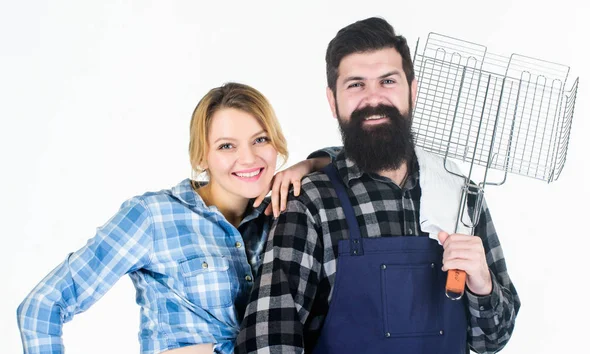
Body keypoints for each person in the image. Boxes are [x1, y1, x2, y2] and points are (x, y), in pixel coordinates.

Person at [235, 17, 520, 354]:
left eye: (387, 81)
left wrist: (482, 283)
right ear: (332, 101)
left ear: (412, 91)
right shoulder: (311, 202)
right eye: (356, 84)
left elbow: (492, 340)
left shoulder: (461, 197)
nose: (373, 98)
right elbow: (269, 340)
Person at [17, 82, 337, 354]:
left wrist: (309, 166)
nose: (249, 157)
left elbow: (363, 161)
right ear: (202, 156)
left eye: (261, 139)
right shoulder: (154, 217)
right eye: (227, 145)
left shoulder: (283, 218)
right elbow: (42, 307)